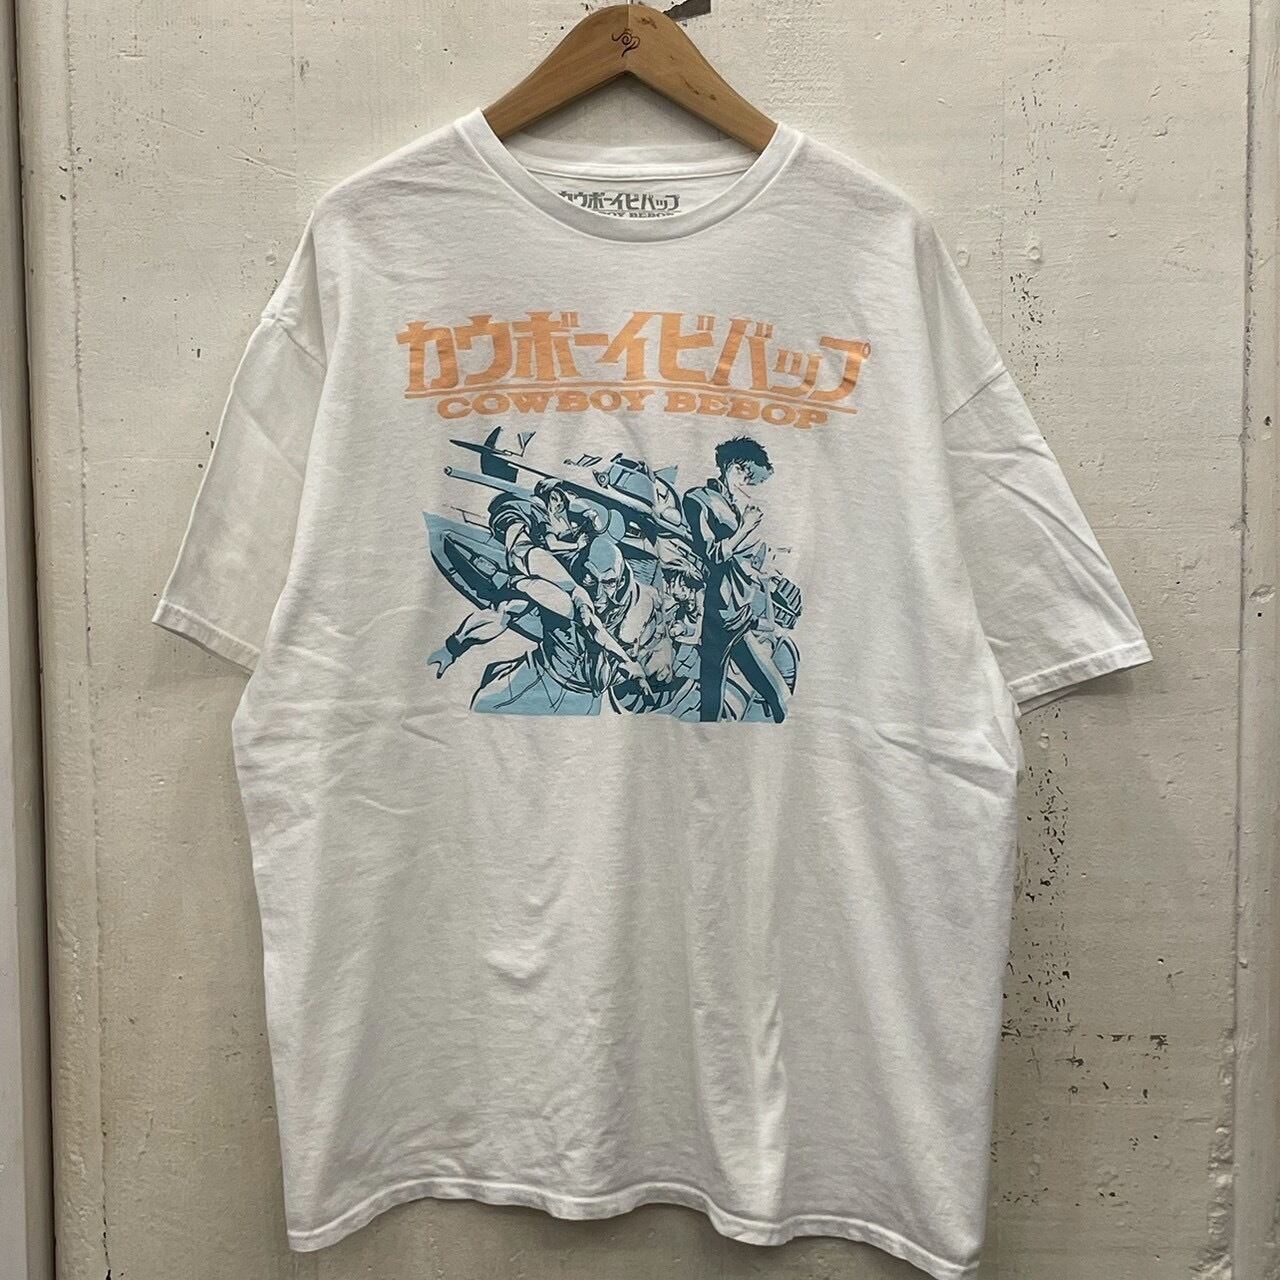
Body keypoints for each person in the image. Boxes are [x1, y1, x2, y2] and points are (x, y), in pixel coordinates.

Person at [682, 436, 791, 722]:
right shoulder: (698, 499)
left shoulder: (732, 503)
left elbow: (738, 554)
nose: (747, 483)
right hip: (719, 610)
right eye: (747, 475)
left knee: (722, 696)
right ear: (733, 466)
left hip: (735, 609)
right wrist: (745, 528)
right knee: (720, 699)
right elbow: (712, 554)